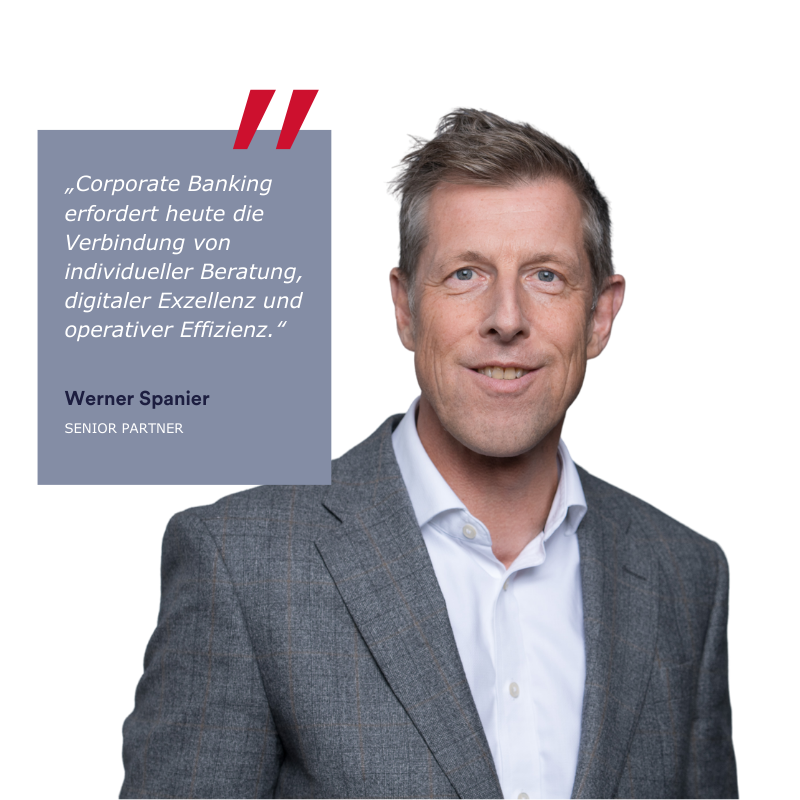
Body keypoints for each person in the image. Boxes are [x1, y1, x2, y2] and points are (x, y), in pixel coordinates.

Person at [119, 107, 737, 800]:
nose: (507, 319)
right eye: (466, 273)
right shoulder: (241, 563)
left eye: (546, 276)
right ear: (405, 307)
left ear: (600, 314)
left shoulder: (688, 576)